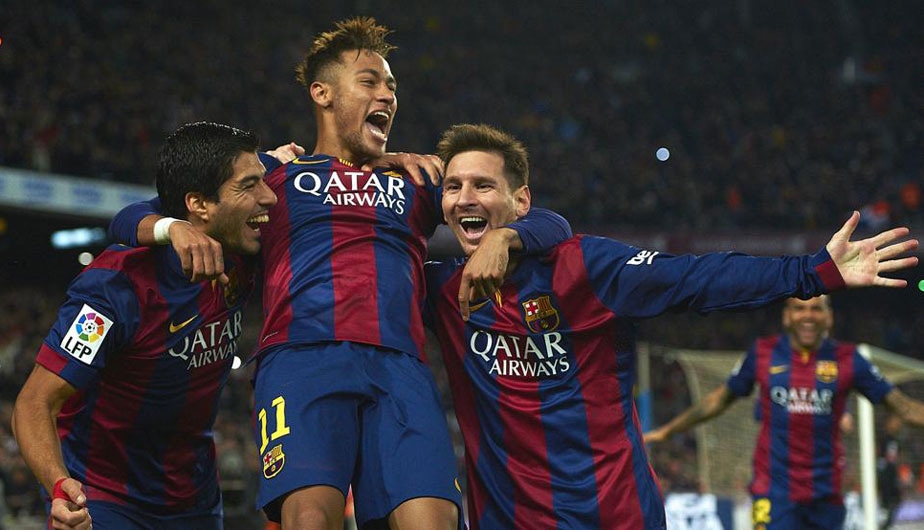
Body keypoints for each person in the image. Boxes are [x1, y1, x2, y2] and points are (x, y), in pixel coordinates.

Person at [108, 18, 571, 530]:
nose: (387, 95)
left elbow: (549, 223)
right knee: (311, 519)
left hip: (401, 368)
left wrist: (505, 239)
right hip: (302, 361)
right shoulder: (272, 178)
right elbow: (128, 217)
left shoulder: (417, 178)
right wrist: (174, 229)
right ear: (322, 93)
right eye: (370, 82)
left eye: (392, 86)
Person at [422, 123, 919, 530]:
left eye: (483, 185)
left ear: (521, 201)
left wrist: (812, 272)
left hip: (616, 517)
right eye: (453, 186)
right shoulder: (440, 291)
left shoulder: (586, 268)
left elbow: (698, 278)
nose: (465, 197)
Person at [10, 121, 278, 529]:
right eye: (251, 185)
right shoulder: (115, 288)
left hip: (196, 502)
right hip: (105, 500)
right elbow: (33, 404)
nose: (270, 197)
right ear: (200, 205)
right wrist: (60, 486)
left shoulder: (240, 248)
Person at [645, 295, 924, 529]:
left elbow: (904, 407)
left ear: (829, 316)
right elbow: (720, 398)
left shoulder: (849, 360)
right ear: (786, 316)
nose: (808, 315)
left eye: (817, 308)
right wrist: (669, 430)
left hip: (826, 495)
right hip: (773, 491)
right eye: (799, 308)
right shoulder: (763, 353)